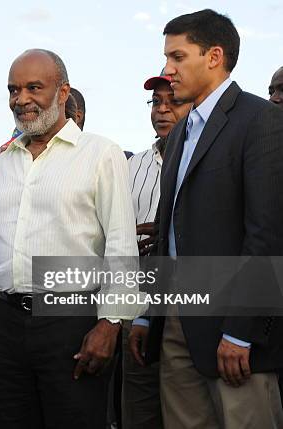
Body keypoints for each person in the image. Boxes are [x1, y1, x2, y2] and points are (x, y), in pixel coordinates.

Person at [0, 49, 145, 428]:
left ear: (63, 93)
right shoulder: (3, 164)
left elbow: (121, 246)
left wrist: (110, 323)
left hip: (72, 322)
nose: (21, 99)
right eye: (14, 90)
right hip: (7, 324)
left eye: (34, 87)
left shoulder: (101, 154)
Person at [130, 10, 283, 428]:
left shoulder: (263, 121)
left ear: (214, 56)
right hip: (177, 323)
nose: (168, 69)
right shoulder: (179, 133)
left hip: (233, 332)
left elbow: (267, 236)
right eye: (166, 57)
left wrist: (241, 330)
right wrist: (149, 312)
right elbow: (169, 233)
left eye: (178, 57)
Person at [121, 71, 191, 429]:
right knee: (140, 409)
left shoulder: (201, 161)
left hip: (190, 306)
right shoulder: (133, 166)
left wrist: (166, 233)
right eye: (156, 102)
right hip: (138, 308)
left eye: (173, 101)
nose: (162, 110)